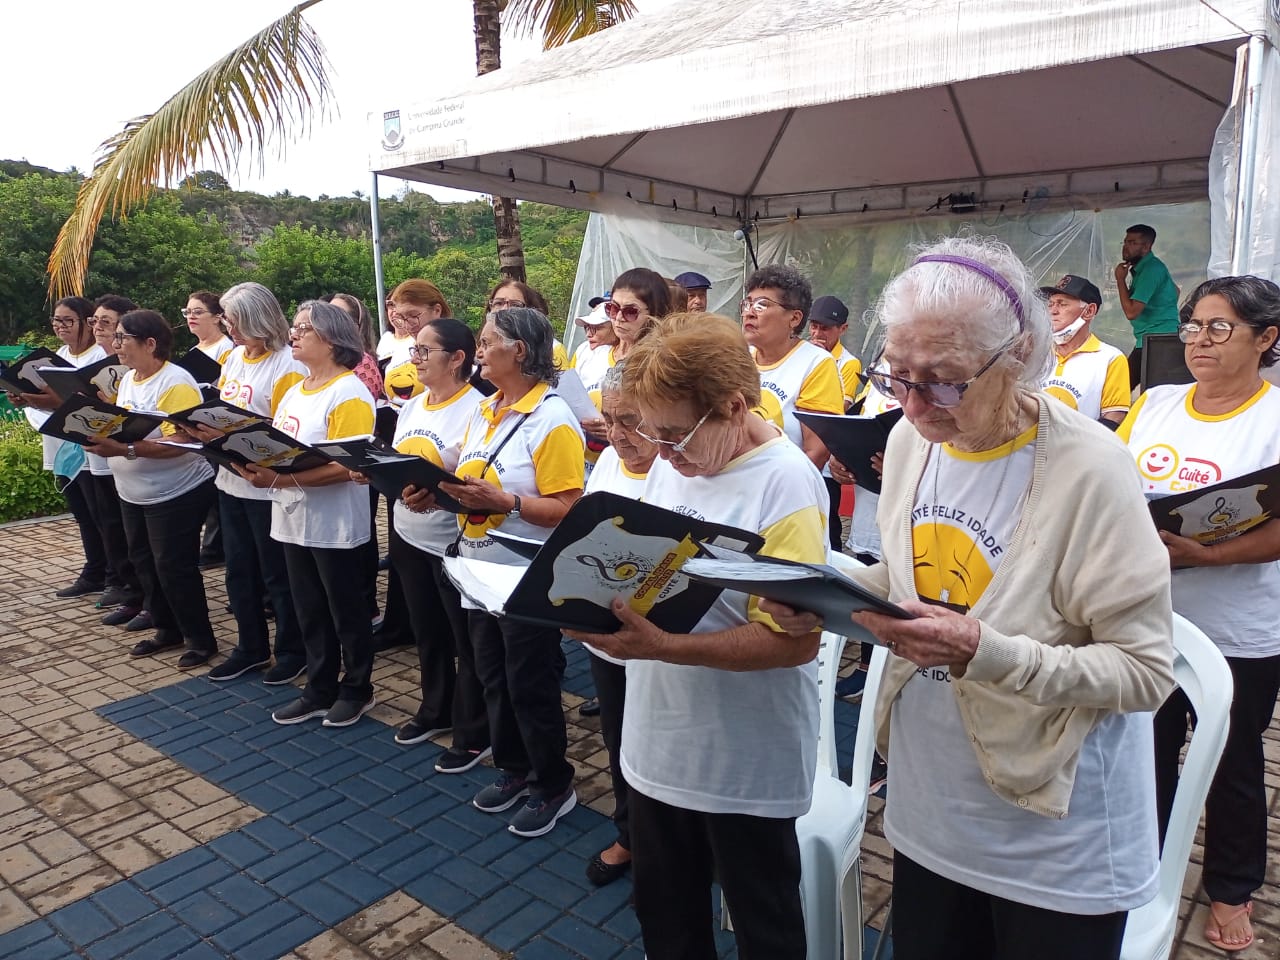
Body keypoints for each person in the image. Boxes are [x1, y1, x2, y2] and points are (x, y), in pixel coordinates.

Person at [763, 237, 1175, 960]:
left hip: (1055, 835)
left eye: (944, 381)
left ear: (1019, 355)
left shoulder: (1091, 469)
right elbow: (909, 581)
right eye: (898, 375)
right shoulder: (915, 439)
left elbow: (1145, 673)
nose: (915, 404)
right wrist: (819, 594)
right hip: (932, 805)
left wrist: (984, 651)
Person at [565, 313, 828, 960]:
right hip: (657, 741)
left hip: (742, 758)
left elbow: (794, 642)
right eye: (652, 432)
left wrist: (665, 648)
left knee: (765, 925)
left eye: (675, 435)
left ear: (734, 406)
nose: (663, 453)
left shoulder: (787, 484)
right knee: (668, 919)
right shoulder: (674, 459)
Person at [1117, 275, 1280, 953]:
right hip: (1145, 619)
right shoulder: (1155, 403)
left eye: (1220, 327)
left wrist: (1208, 556)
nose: (1200, 341)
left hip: (1239, 628)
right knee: (1141, 748)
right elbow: (1110, 484)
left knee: (1232, 760)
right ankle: (1139, 866)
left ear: (1266, 338)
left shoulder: (1274, 419)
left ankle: (1232, 887)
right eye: (1192, 327)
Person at [438, 307, 585, 838]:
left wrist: (507, 502)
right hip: (479, 569)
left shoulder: (551, 419)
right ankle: (514, 767)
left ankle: (553, 783)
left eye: (486, 342)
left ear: (519, 350)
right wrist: (433, 488)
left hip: (525, 575)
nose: (478, 351)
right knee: (493, 675)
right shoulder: (485, 408)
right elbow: (466, 474)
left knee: (530, 682)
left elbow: (569, 509)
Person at [247, 302, 377, 727]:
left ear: (333, 339)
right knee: (309, 607)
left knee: (346, 609)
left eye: (305, 329)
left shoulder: (349, 392)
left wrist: (281, 479)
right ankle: (319, 686)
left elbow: (347, 465)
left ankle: (357, 688)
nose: (294, 334)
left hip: (333, 520)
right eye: (295, 327)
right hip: (292, 516)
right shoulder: (296, 390)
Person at [85, 310, 219, 670]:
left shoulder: (175, 383)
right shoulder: (129, 379)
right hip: (134, 491)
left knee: (174, 566)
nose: (116, 345)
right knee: (143, 561)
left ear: (150, 343)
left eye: (123, 338)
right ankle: (166, 628)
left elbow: (185, 441)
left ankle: (200, 640)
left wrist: (126, 449)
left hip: (176, 491)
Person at [384, 317, 489, 769]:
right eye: (415, 350)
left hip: (453, 540)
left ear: (457, 358)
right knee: (427, 631)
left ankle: (474, 731)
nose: (415, 359)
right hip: (408, 533)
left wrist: (438, 491)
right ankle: (435, 709)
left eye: (425, 351)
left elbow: (474, 479)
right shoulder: (413, 405)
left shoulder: (478, 409)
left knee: (466, 640)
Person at [199, 282, 308, 684]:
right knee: (238, 570)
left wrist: (237, 432)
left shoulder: (287, 364)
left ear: (260, 319)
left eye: (236, 321)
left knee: (277, 574)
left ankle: (293, 650)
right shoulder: (234, 358)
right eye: (227, 320)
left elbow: (286, 430)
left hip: (269, 485)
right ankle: (250, 647)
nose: (230, 329)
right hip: (231, 479)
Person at [578, 360, 658, 887]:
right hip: (606, 633)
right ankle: (630, 834)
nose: (617, 433)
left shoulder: (678, 468)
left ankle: (672, 846)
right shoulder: (609, 461)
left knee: (660, 746)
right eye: (609, 419)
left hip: (663, 640)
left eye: (630, 420)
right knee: (619, 737)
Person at [10, 297, 110, 600]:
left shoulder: (99, 357)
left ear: (87, 322)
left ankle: (112, 574)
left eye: (68, 320)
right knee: (81, 512)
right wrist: (24, 397)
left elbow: (84, 404)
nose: (60, 326)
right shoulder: (57, 357)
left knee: (101, 515)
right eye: (56, 320)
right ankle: (95, 570)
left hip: (90, 449)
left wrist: (41, 400)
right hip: (61, 443)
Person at [741, 264, 844, 469]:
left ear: (794, 318)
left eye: (762, 305)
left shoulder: (815, 363)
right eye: (747, 304)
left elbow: (816, 452)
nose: (749, 313)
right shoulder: (741, 357)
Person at [85, 295, 148, 630]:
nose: (98, 328)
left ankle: (149, 601)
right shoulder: (108, 368)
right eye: (94, 321)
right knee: (114, 530)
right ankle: (131, 593)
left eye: (107, 323)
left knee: (139, 542)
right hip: (108, 461)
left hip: (137, 464)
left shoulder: (140, 370)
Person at [807, 294, 862, 551]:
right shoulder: (802, 353)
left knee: (828, 520)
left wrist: (822, 362)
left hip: (828, 459)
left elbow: (841, 409)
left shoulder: (849, 363)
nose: (817, 333)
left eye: (825, 328)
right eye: (814, 326)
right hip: (803, 448)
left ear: (843, 329)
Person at [1041, 274, 1130, 426]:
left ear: (1089, 311)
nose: (1053, 311)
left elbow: (1114, 417)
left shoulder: (1110, 358)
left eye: (1062, 304)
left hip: (1083, 441)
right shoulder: (1036, 353)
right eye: (1051, 304)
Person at [1115, 224, 1179, 389]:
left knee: (1124, 387)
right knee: (1127, 386)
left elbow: (1131, 312)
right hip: (1154, 337)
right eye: (1125, 242)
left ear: (1146, 247)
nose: (1125, 247)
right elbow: (1176, 291)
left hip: (1158, 339)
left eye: (1132, 243)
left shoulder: (1151, 269)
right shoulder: (1148, 267)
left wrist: (1120, 280)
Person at [383, 280, 452, 406]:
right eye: (401, 318)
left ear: (437, 310)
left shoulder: (457, 348)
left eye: (413, 315)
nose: (407, 324)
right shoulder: (400, 352)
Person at [184, 291, 234, 362]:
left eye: (198, 312)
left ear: (216, 317)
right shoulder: (193, 351)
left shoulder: (227, 348)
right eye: (188, 312)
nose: (191, 317)